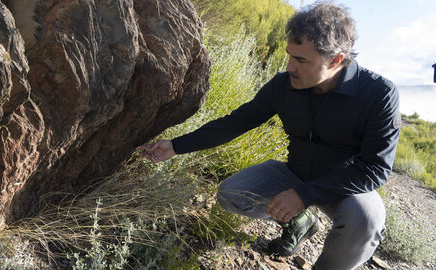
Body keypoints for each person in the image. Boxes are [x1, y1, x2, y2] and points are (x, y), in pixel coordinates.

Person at [137, 2, 400, 269]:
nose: (289, 67)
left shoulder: (379, 95)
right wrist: (176, 146)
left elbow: (375, 170)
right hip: (295, 173)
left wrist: (304, 195)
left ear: (336, 60)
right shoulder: (284, 85)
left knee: (365, 220)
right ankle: (300, 222)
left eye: (300, 60)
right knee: (231, 194)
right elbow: (237, 122)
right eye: (289, 55)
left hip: (345, 189)